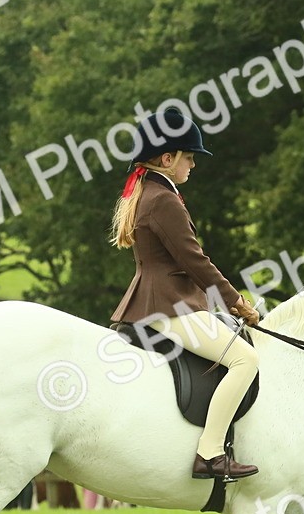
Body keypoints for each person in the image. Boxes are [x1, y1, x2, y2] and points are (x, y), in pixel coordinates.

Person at [110, 108, 261, 480]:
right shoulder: (163, 199)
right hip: (170, 306)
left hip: (161, 301)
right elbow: (196, 262)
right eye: (189, 157)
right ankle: (210, 454)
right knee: (245, 361)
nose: (192, 165)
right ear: (168, 158)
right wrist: (236, 302)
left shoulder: (149, 191)